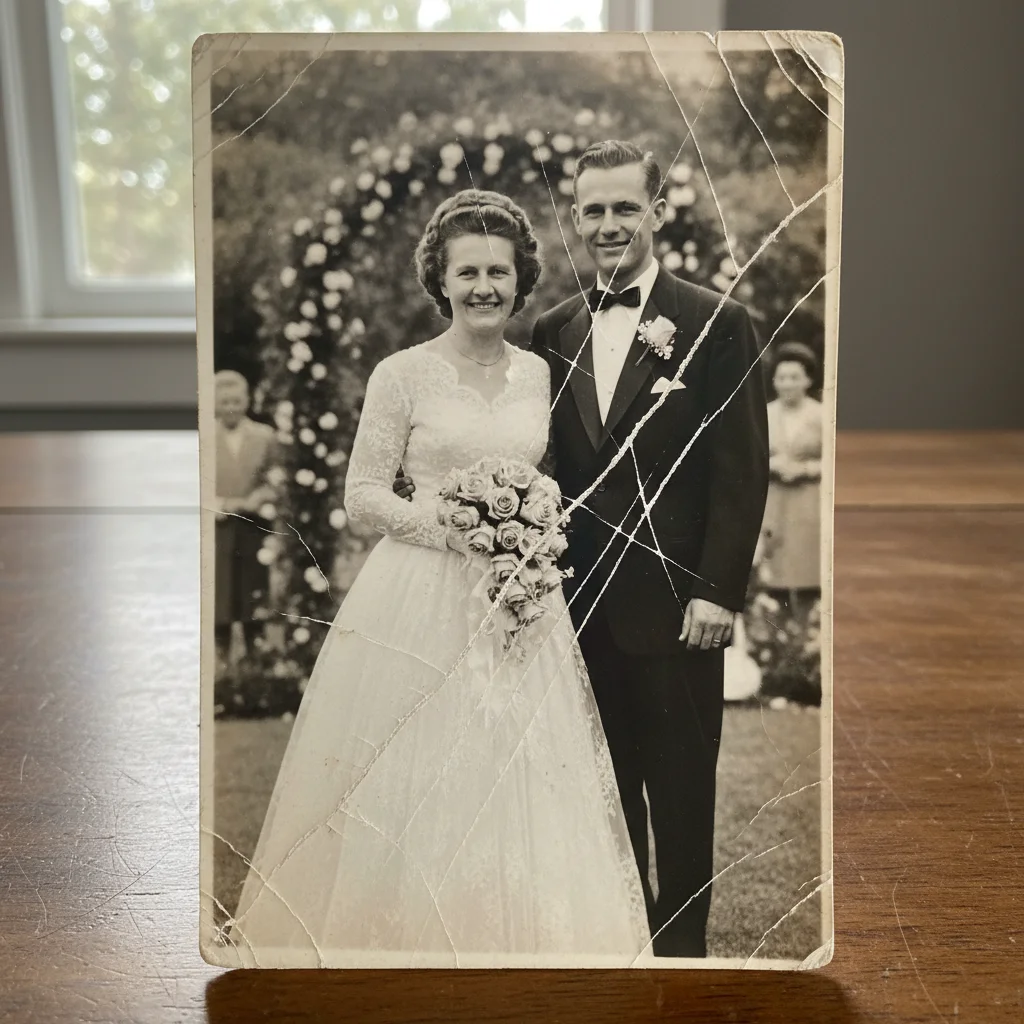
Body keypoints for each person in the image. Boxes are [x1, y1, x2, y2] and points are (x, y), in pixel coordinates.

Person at [224, 191, 650, 967]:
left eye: (499, 272)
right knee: (416, 767)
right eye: (468, 273)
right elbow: (362, 496)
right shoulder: (402, 374)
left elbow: (556, 477)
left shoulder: (539, 375)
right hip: (417, 597)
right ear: (441, 281)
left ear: (520, 281)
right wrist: (455, 527)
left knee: (517, 766)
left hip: (520, 599)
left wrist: (526, 525)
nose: (484, 287)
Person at [396, 141, 770, 958]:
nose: (608, 225)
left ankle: (682, 959)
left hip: (677, 612)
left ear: (657, 212)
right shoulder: (553, 329)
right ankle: (623, 947)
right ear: (574, 217)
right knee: (600, 795)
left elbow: (741, 471)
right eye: (593, 210)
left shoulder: (719, 322)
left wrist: (717, 592)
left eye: (624, 208)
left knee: (681, 796)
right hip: (574, 611)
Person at [214, 370, 279, 663]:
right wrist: (222, 503)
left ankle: (256, 656)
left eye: (237, 401)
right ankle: (221, 656)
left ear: (247, 401)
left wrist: (261, 496)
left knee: (253, 589)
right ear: (214, 404)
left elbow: (276, 477)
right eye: (224, 401)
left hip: (254, 525)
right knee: (220, 591)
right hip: (217, 527)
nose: (231, 407)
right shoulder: (203, 437)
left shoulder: (265, 436)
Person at [758, 341, 823, 619]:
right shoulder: (763, 414)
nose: (787, 384)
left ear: (808, 380)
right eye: (782, 377)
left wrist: (805, 469)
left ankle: (808, 627)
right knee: (773, 577)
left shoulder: (821, 415)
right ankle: (778, 631)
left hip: (809, 502)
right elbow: (748, 458)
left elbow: (837, 461)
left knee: (809, 573)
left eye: (795, 377)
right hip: (774, 503)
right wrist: (772, 463)